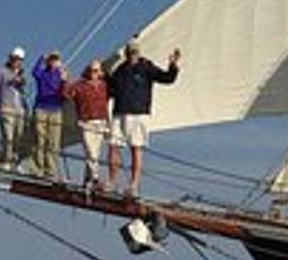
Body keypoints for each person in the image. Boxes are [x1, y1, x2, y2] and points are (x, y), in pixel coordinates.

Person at [107, 40, 180, 197]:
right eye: (129, 52)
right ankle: (112, 181)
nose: (131, 55)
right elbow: (111, 90)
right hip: (119, 112)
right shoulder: (120, 70)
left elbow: (167, 78)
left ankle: (134, 185)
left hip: (139, 114)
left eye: (134, 52)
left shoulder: (147, 67)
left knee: (136, 149)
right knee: (113, 147)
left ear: (138, 53)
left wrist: (173, 66)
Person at [66, 60, 113, 189]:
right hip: (86, 122)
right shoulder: (80, 85)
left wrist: (109, 124)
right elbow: (66, 94)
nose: (94, 73)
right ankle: (96, 179)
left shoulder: (104, 86)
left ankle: (87, 180)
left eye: (97, 71)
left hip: (101, 122)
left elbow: (106, 104)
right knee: (91, 153)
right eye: (92, 70)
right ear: (88, 71)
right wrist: (66, 81)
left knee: (95, 154)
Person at [0, 48, 29, 168]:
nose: (17, 61)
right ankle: (7, 161)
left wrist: (22, 84)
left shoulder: (20, 74)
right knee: (8, 136)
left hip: (19, 110)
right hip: (6, 108)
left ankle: (14, 160)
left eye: (20, 60)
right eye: (15, 59)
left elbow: (23, 93)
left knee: (18, 137)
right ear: (10, 58)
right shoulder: (1, 71)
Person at [29, 52, 68, 182]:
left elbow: (65, 90)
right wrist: (42, 58)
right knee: (40, 139)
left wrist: (64, 77)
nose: (53, 62)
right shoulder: (42, 73)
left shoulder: (61, 73)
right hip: (41, 108)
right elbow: (34, 72)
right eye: (51, 59)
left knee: (53, 141)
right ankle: (38, 168)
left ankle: (50, 170)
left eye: (55, 59)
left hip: (55, 109)